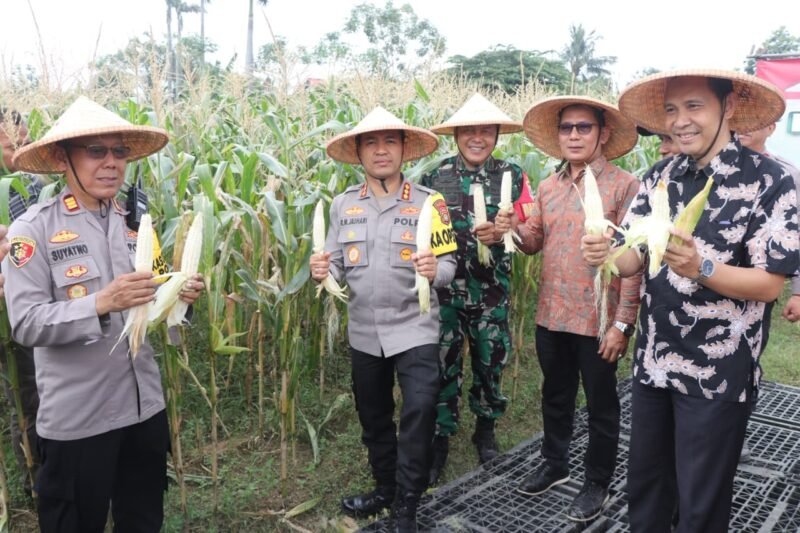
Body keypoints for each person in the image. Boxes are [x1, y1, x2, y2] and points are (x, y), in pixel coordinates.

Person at [583, 69, 798, 532]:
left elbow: (769, 284)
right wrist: (606, 253)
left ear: (730, 108)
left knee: (700, 505)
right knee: (647, 493)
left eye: (694, 106)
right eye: (672, 109)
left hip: (717, 376)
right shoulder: (659, 176)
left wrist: (701, 268)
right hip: (655, 364)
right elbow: (632, 261)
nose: (680, 121)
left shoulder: (771, 180)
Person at [3, 96, 205, 532]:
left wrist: (181, 295)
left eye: (119, 152)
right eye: (96, 151)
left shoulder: (136, 224)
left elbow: (156, 299)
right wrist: (100, 302)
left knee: (143, 520)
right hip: (78, 421)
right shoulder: (32, 229)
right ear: (62, 158)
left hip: (142, 409)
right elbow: (26, 322)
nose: (111, 162)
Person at [310, 106, 457, 532]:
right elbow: (335, 265)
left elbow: (449, 267)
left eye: (389, 141)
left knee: (419, 412)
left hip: (415, 329)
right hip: (364, 333)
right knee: (373, 417)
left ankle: (407, 504)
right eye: (370, 143)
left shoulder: (431, 204)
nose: (380, 151)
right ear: (358, 152)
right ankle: (384, 487)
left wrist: (436, 271)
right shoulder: (343, 206)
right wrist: (323, 271)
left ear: (404, 150)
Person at [509, 96, 641, 522]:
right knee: (555, 394)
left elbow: (636, 263)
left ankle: (597, 481)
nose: (574, 135)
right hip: (553, 312)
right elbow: (533, 242)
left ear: (602, 134)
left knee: (602, 405)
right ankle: (555, 462)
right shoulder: (549, 186)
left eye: (584, 127)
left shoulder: (624, 186)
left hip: (599, 319)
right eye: (567, 128)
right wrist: (511, 230)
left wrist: (622, 324)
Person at [420, 93, 534, 484]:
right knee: (442, 365)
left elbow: (529, 230)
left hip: (491, 292)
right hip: (445, 294)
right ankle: (440, 439)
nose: (477, 137)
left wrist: (508, 232)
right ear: (456, 135)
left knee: (490, 362)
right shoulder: (434, 178)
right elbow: (420, 232)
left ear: (497, 135)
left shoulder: (514, 176)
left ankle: (485, 430)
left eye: (486, 130)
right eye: (469, 130)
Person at [0, 107, 44, 494]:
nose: (21, 152)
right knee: (25, 393)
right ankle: (35, 479)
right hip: (10, 316)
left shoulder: (36, 185)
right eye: (11, 144)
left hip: (39, 306)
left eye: (26, 142)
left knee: (40, 389)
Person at [739, 123, 800, 323]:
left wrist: (798, 292)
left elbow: (796, 232)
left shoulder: (786, 174)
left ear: (771, 129)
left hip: (759, 282)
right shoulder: (711, 166)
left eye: (754, 121)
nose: (743, 126)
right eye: (738, 120)